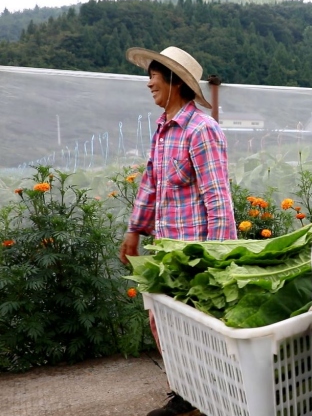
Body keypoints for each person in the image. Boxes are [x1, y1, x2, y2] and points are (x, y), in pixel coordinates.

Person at [119, 46, 237, 416]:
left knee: (198, 331)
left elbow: (219, 202)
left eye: (155, 74)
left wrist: (217, 262)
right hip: (166, 252)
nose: (148, 81)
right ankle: (188, 393)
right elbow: (151, 185)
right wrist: (134, 231)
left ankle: (203, 400)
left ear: (176, 82)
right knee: (165, 323)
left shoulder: (202, 130)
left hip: (195, 256)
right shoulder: (163, 129)